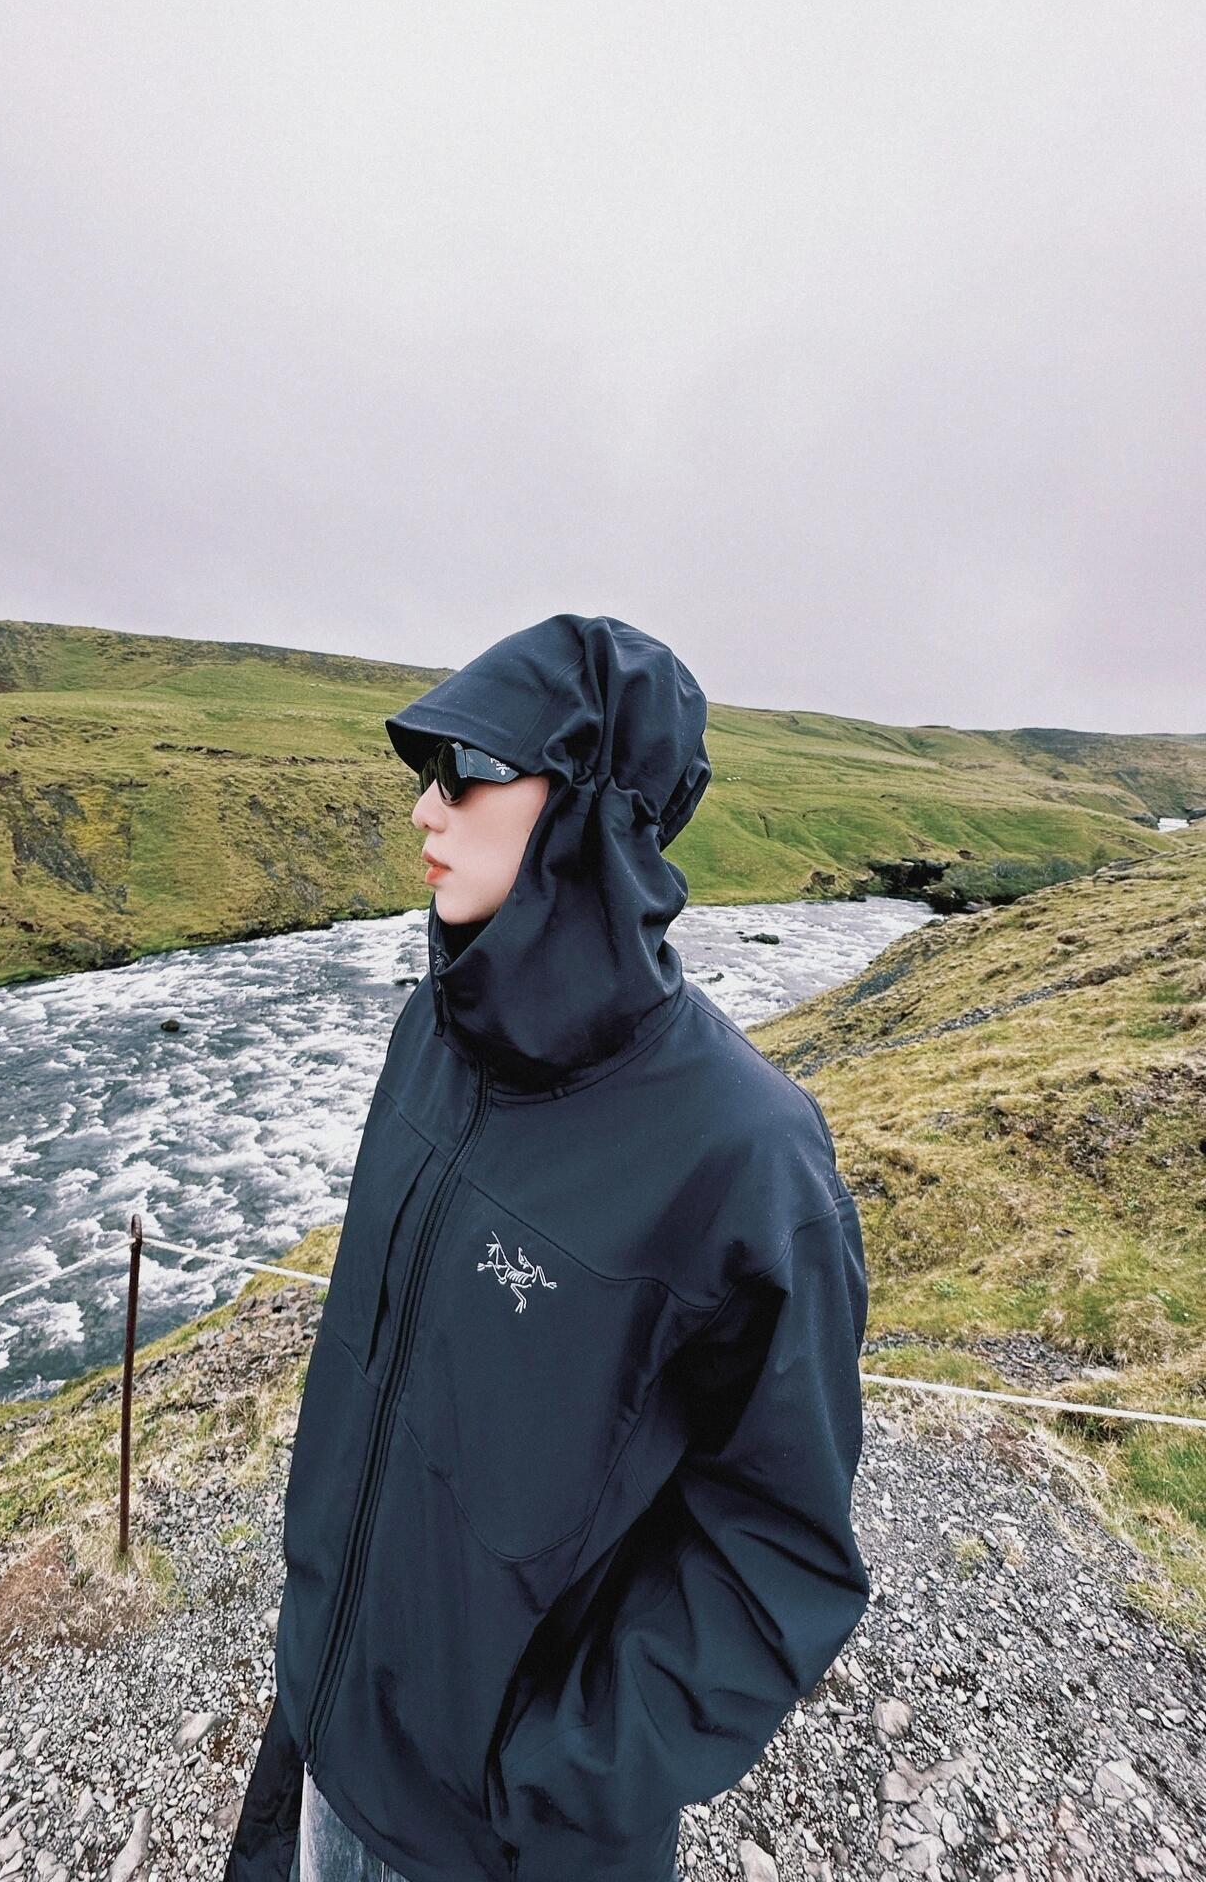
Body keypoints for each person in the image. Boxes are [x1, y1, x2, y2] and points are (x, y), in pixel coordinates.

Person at [225, 614, 871, 1882]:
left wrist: (558, 1774)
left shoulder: (745, 1158)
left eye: (465, 770)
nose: (425, 807)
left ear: (588, 809)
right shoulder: (431, 1035)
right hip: (326, 1737)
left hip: (502, 1839)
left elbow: (777, 1549)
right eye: (427, 769)